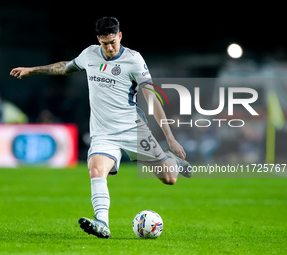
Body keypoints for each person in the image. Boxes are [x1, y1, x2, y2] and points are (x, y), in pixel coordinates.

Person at [10, 17, 192, 239]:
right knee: (96, 170)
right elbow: (65, 67)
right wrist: (33, 70)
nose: (109, 47)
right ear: (98, 39)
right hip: (103, 133)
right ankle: (102, 223)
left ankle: (172, 162)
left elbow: (152, 100)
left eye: (113, 41)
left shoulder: (134, 60)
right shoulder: (90, 54)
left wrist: (170, 139)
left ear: (120, 36)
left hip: (132, 129)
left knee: (169, 178)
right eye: (105, 43)